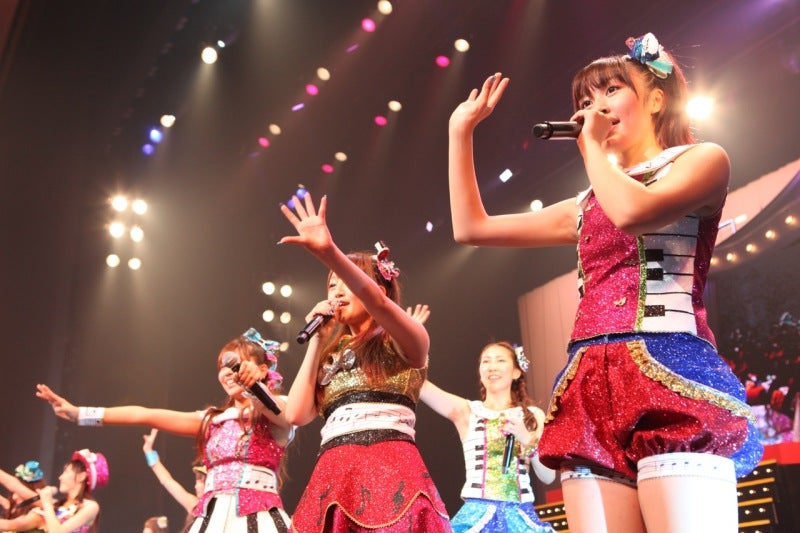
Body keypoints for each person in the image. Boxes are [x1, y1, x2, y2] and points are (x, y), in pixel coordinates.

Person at [446, 32, 762, 533]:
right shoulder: (587, 202)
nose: (595, 107)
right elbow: (472, 228)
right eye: (585, 99)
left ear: (655, 99)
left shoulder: (702, 160)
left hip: (669, 366)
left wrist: (591, 147)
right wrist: (459, 133)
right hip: (590, 380)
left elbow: (634, 213)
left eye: (611, 91)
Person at [279, 194, 451, 532]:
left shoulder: (402, 341)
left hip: (390, 474)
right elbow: (296, 415)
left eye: (345, 281)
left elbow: (380, 306)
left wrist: (329, 252)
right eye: (331, 285)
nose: (335, 291)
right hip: (333, 475)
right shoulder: (331, 354)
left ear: (378, 289)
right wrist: (317, 341)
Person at [36, 328, 294, 533]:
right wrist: (80, 414)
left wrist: (256, 387)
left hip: (259, 520)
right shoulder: (212, 420)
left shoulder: (279, 409)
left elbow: (280, 412)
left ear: (262, 369)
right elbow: (144, 415)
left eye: (236, 364)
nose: (228, 372)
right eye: (223, 367)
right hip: (211, 520)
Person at [419, 335, 556, 533]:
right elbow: (420, 385)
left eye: (500, 360)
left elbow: (548, 476)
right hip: (476, 515)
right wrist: (411, 342)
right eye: (486, 361)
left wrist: (527, 439)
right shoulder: (468, 411)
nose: (492, 367)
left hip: (521, 516)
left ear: (516, 372)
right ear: (480, 372)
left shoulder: (532, 415)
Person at [0, 449, 108, 533]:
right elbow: (14, 485)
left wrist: (47, 504)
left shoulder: (90, 506)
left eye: (66, 472)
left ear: (81, 477)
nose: (60, 477)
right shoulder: (56, 505)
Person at [141, 428, 205, 530]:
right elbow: (167, 480)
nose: (196, 486)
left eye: (202, 481)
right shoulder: (194, 504)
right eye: (197, 480)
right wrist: (148, 451)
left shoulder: (222, 506)